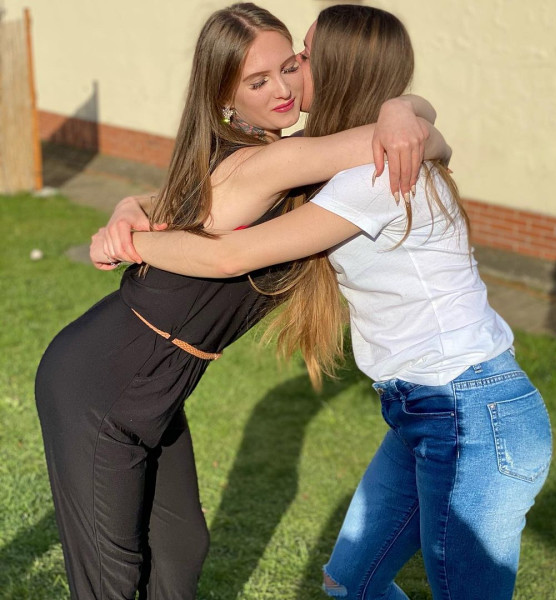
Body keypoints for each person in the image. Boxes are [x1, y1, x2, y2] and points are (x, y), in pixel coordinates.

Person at [94, 5, 553, 599]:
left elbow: (230, 256)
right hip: (427, 408)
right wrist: (132, 205)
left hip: (469, 410)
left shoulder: (375, 178)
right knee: (350, 583)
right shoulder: (358, 154)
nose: (292, 70)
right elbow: (212, 195)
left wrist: (132, 245)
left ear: (339, 70)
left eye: (303, 58)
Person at [37, 3, 447, 599]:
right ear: (224, 95)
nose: (282, 90)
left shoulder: (270, 155)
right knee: (112, 574)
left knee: (180, 548)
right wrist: (403, 113)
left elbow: (423, 136)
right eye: (258, 81)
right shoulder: (273, 161)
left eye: (289, 67)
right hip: (101, 380)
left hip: (156, 378)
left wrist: (400, 108)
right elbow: (422, 141)